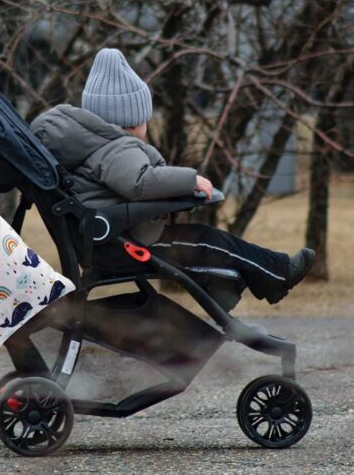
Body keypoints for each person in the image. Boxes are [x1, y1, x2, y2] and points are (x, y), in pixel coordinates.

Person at [31, 48, 315, 305]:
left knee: (213, 244)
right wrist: (190, 180)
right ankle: (279, 273)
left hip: (114, 241)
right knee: (213, 243)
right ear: (131, 120)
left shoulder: (95, 146)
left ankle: (254, 282)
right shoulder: (117, 148)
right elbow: (140, 182)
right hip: (128, 245)